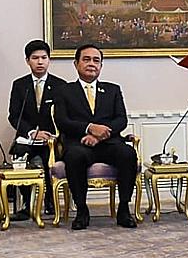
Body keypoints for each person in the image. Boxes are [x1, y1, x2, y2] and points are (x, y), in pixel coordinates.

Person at [52, 44, 139, 230]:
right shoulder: (64, 91)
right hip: (79, 144)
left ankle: (124, 208)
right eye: (86, 59)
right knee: (75, 157)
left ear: (101, 65)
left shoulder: (113, 89)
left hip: (108, 144)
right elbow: (62, 121)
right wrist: (89, 128)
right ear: (76, 64)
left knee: (128, 154)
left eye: (96, 60)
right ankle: (82, 211)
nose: (92, 64)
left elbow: (121, 120)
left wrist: (99, 136)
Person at [6, 40, 64, 220]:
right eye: (35, 58)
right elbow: (14, 116)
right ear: (27, 60)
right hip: (28, 138)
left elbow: (65, 116)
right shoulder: (19, 85)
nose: (40, 62)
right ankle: (26, 204)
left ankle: (50, 202)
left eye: (44, 58)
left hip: (51, 139)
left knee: (49, 159)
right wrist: (31, 132)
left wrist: (53, 134)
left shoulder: (61, 85)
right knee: (20, 157)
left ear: (49, 60)